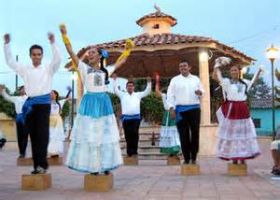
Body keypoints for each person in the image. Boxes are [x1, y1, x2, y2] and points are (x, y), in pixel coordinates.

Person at [60, 24, 132, 174]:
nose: (90, 54)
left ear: (99, 56)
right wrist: (65, 36)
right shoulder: (83, 68)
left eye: (93, 52)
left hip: (104, 103)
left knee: (104, 136)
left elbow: (120, 62)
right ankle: (93, 167)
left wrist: (127, 50)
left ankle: (105, 166)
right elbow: (72, 53)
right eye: (89, 53)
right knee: (91, 136)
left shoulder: (106, 70)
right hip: (90, 103)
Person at [3, 33, 62, 174]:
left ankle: (42, 165)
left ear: (42, 56)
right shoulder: (25, 69)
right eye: (34, 54)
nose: (36, 57)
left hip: (43, 105)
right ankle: (37, 166)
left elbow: (58, 59)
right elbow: (10, 62)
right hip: (30, 106)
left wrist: (53, 43)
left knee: (42, 135)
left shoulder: (48, 69)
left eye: (39, 54)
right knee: (34, 136)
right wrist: (7, 45)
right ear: (30, 56)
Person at [212, 58, 261, 164]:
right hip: (232, 108)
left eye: (236, 70)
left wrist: (260, 71)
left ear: (239, 72)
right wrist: (216, 66)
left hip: (242, 108)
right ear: (230, 72)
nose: (234, 72)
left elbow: (254, 81)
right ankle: (233, 158)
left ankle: (243, 157)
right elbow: (215, 77)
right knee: (232, 133)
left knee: (242, 133)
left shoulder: (245, 83)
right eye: (232, 70)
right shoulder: (227, 82)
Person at [167, 60, 204, 164]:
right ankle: (186, 158)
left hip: (194, 110)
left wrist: (200, 92)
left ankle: (194, 158)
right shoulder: (175, 80)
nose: (183, 68)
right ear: (179, 68)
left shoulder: (196, 79)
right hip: (180, 111)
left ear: (189, 67)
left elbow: (202, 91)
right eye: (180, 66)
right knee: (183, 135)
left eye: (185, 66)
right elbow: (170, 95)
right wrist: (171, 109)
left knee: (195, 134)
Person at [114, 77, 151, 158]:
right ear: (126, 87)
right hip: (126, 119)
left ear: (134, 87)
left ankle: (134, 152)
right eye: (128, 86)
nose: (130, 87)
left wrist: (149, 82)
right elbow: (116, 90)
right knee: (127, 136)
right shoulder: (122, 95)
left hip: (136, 119)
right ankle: (129, 153)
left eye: (131, 86)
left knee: (135, 135)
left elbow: (147, 92)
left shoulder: (138, 95)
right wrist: (115, 80)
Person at [155, 73, 180, 158]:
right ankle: (170, 152)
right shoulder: (165, 95)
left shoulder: (178, 95)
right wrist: (157, 81)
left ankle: (176, 151)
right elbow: (157, 92)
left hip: (176, 114)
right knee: (167, 134)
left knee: (176, 133)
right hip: (167, 115)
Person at [0, 85, 28, 158]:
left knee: (25, 135)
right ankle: (21, 152)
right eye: (21, 89)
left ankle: (24, 152)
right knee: (20, 136)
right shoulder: (16, 98)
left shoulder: (29, 98)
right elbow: (7, 97)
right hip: (19, 117)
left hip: (26, 117)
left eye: (24, 89)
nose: (22, 90)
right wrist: (3, 91)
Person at [48, 89, 71, 157]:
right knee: (51, 136)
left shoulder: (59, 103)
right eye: (50, 93)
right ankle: (51, 151)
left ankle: (56, 151)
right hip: (50, 120)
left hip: (58, 121)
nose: (51, 95)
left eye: (52, 93)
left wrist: (69, 91)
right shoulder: (47, 103)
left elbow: (67, 98)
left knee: (57, 136)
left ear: (56, 95)